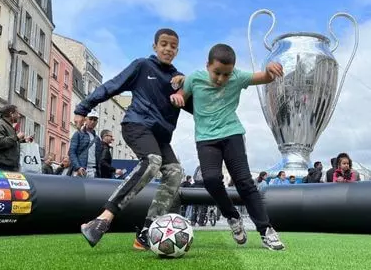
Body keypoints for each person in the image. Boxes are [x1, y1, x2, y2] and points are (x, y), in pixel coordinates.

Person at [78, 28, 192, 250]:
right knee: (152, 161)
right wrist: (84, 107)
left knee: (175, 173)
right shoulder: (142, 66)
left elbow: (200, 107)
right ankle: (101, 220)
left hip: (160, 136)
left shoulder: (179, 80)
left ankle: (147, 233)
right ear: (155, 47)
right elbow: (113, 85)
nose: (168, 49)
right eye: (164, 44)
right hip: (136, 124)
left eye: (173, 46)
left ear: (177, 50)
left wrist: (193, 84)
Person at [171, 43, 285, 250]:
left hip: (232, 134)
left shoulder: (237, 77)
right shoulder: (195, 78)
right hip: (206, 138)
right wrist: (179, 96)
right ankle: (232, 217)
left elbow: (264, 77)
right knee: (211, 180)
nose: (221, 79)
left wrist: (270, 69)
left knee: (244, 182)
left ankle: (266, 230)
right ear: (207, 66)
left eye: (226, 74)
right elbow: (182, 94)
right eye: (217, 73)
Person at [0, 105, 30, 171]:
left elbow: (9, 144)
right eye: (17, 113)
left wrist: (23, 141)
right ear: (11, 114)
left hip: (8, 167)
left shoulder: (7, 125)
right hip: (0, 168)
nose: (19, 116)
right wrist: (16, 137)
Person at [69, 110, 102, 178]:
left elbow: (99, 157)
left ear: (97, 122)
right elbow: (71, 152)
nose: (92, 121)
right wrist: (78, 167)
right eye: (90, 119)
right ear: (85, 120)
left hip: (93, 171)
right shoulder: (78, 134)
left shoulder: (97, 139)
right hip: (80, 170)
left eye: (95, 120)